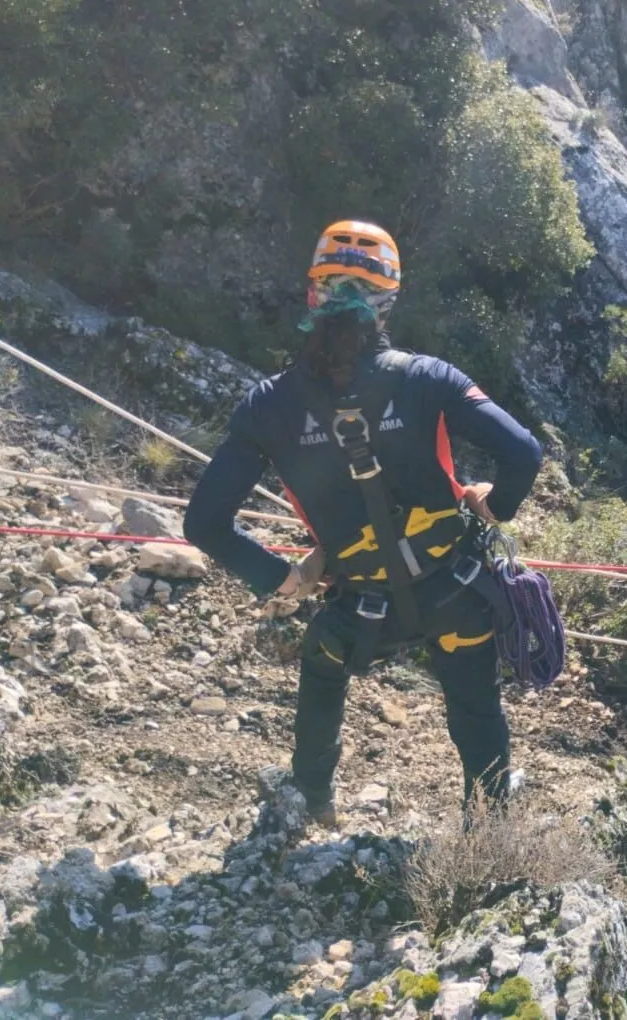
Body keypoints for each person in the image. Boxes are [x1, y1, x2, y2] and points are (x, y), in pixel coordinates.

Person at [185, 219, 543, 826]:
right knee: (475, 703)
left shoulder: (268, 405)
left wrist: (282, 578)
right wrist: (494, 504)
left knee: (323, 672)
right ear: (388, 302)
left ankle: (312, 796)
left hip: (356, 611)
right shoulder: (429, 378)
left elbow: (205, 525)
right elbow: (524, 454)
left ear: (312, 296)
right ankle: (489, 825)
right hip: (453, 593)